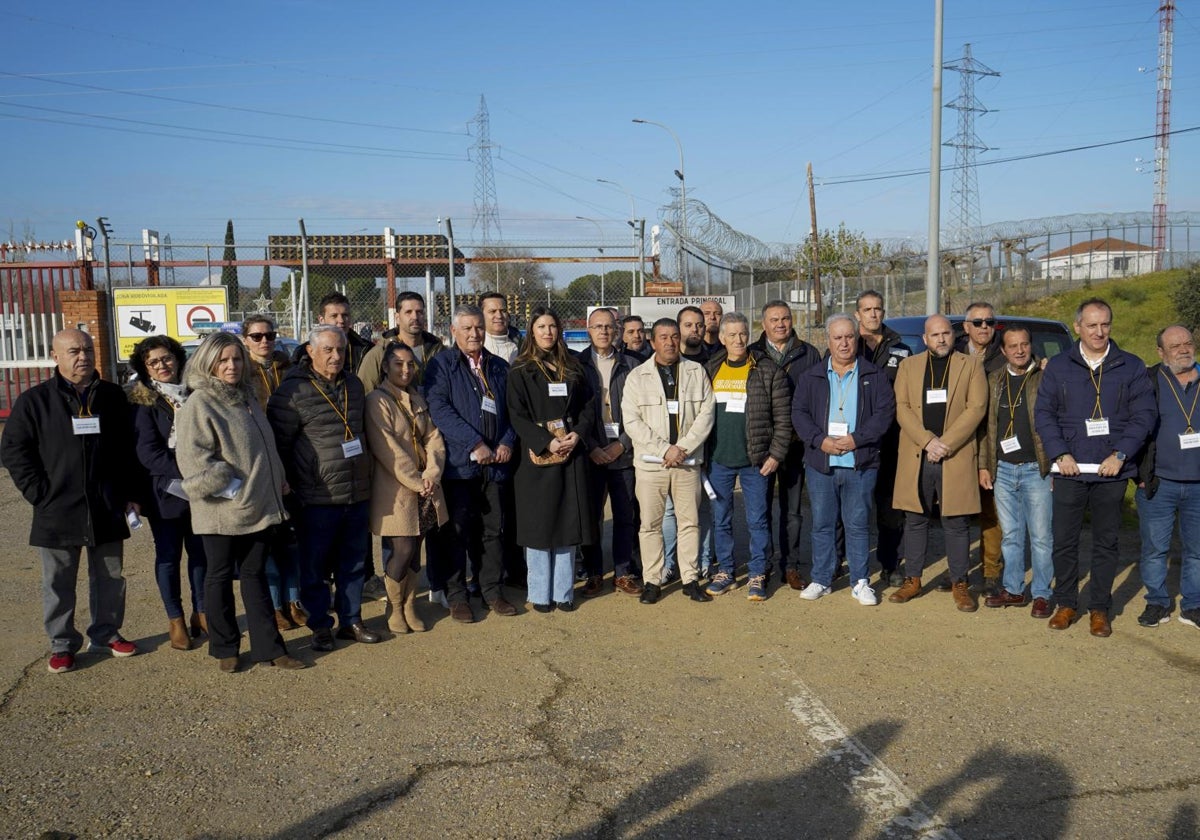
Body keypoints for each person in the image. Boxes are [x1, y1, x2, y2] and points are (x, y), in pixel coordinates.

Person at [1, 328, 140, 674]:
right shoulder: (36, 401)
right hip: (57, 507)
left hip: (105, 505)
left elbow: (128, 449)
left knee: (110, 575)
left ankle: (106, 633)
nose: (84, 357)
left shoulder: (111, 396)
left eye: (88, 350)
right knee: (58, 580)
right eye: (75, 351)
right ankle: (62, 644)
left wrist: (130, 494)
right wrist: (39, 492)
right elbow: (14, 449)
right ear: (56, 356)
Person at [175, 332, 305, 671]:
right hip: (222, 510)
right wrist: (230, 487)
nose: (231, 365)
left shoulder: (247, 396)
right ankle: (225, 648)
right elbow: (194, 460)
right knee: (218, 577)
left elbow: (264, 446)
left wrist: (277, 477)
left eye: (236, 358)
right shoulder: (199, 403)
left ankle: (270, 648)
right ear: (208, 363)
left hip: (259, 505)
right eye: (223, 360)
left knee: (255, 575)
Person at [1035, 298, 1156, 637]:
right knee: (1065, 541)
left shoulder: (1130, 366)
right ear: (1077, 327)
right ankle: (1066, 603)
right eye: (1092, 325)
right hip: (1070, 470)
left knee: (1106, 542)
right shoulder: (1059, 367)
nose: (1099, 332)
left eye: (1105, 325)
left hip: (1110, 471)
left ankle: (1100, 608)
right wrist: (1060, 454)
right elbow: (1044, 414)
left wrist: (1121, 455)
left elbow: (1144, 415)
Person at [269, 324, 380, 650]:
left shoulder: (355, 386)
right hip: (316, 497)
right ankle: (319, 625)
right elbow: (280, 448)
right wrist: (293, 493)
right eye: (328, 350)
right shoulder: (291, 393)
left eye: (340, 350)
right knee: (314, 567)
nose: (335, 356)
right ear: (310, 352)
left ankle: (352, 620)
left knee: (355, 563)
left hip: (356, 493)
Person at [424, 304, 520, 622]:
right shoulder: (441, 365)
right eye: (466, 328)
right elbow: (439, 408)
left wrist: (506, 441)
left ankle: (491, 590)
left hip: (495, 466)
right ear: (454, 331)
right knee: (457, 531)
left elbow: (512, 410)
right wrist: (474, 443)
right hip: (459, 467)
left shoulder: (498, 367)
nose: (474, 333)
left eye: (478, 327)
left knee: (493, 531)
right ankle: (457, 595)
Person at [793, 314, 896, 606]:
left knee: (858, 524)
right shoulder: (811, 376)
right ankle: (822, 578)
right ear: (828, 341)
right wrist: (820, 440)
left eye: (849, 337)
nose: (844, 343)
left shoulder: (874, 376)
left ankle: (860, 581)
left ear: (857, 339)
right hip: (821, 463)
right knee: (823, 524)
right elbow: (799, 414)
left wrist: (857, 439)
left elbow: (884, 415)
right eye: (837, 338)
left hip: (859, 463)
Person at [888, 314, 988, 612]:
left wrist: (945, 444)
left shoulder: (971, 366)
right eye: (935, 335)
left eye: (946, 333)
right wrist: (928, 441)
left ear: (954, 336)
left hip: (954, 455)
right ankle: (913, 579)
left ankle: (960, 583)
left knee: (956, 522)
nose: (941, 339)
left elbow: (976, 408)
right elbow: (901, 408)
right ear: (924, 339)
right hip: (918, 454)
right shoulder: (909, 366)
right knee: (915, 519)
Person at [507, 307, 597, 612]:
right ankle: (540, 593)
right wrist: (546, 441)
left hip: (571, 455)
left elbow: (588, 407)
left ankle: (563, 592)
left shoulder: (572, 366)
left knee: (567, 525)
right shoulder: (519, 370)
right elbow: (516, 416)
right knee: (539, 527)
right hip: (536, 459)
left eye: (552, 326)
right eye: (541, 326)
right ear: (531, 331)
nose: (547, 332)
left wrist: (578, 434)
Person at [622, 318, 716, 604]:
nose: (670, 342)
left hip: (687, 464)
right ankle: (653, 579)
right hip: (653, 465)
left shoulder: (696, 371)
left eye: (674, 336)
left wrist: (683, 448)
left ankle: (690, 579)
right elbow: (632, 421)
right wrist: (665, 450)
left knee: (689, 523)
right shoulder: (638, 376)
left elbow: (706, 414)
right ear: (653, 342)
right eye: (663, 337)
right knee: (650, 524)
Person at [702, 312, 791, 601]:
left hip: (756, 461)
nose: (739, 339)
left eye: (743, 334)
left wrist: (776, 455)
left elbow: (783, 419)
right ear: (722, 338)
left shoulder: (767, 370)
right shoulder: (711, 368)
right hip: (719, 459)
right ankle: (726, 571)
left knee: (758, 520)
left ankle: (757, 573)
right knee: (721, 518)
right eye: (732, 335)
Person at [127, 335, 208, 650]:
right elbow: (148, 452)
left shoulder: (195, 392)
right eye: (154, 362)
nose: (162, 365)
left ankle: (200, 613)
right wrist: (189, 472)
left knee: (200, 555)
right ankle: (175, 619)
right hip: (166, 492)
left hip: (201, 491)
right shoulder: (141, 401)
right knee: (169, 557)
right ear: (145, 368)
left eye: (167, 358)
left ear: (177, 358)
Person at [365, 342, 449, 633]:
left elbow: (433, 437)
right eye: (399, 363)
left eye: (410, 364)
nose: (405, 369)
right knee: (401, 549)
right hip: (397, 489)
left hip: (426, 486)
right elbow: (387, 449)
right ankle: (394, 607)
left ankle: (410, 605)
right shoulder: (377, 400)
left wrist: (433, 473)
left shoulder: (417, 397)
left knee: (416, 551)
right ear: (386, 367)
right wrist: (417, 480)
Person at [977, 327, 1053, 616]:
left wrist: (1055, 465)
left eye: (1024, 344)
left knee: (1041, 536)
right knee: (1010, 534)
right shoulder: (994, 380)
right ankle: (1014, 589)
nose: (1019, 350)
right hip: (1004, 469)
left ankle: (1043, 593)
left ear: (1031, 346)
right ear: (1003, 351)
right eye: (1013, 346)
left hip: (1037, 468)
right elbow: (986, 429)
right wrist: (984, 465)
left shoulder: (1045, 377)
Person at [242, 315, 307, 632]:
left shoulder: (290, 370)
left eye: (269, 335)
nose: (264, 341)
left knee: (291, 540)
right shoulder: (239, 373)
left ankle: (294, 601)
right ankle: (273, 604)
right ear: (245, 340)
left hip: (291, 461)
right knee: (265, 541)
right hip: (258, 463)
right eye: (256, 336)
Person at [750, 300, 821, 588]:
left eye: (785, 319)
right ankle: (763, 565)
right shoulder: (752, 354)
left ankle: (790, 565)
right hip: (761, 446)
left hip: (794, 445)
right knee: (760, 509)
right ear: (763, 324)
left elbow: (818, 398)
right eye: (774, 319)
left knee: (792, 512)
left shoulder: (808, 354)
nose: (781, 324)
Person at [1136, 325, 1200, 630]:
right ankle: (1157, 603)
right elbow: (1132, 427)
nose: (1184, 349)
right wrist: (1138, 473)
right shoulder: (1148, 381)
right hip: (1159, 481)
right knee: (1154, 548)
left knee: (1197, 550)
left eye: (1188, 343)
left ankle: (1193, 605)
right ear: (1161, 352)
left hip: (1199, 484)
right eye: (1175, 346)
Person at [576, 307, 643, 596]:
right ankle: (592, 572)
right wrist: (591, 446)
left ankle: (624, 571)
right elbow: (573, 412)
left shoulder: (633, 365)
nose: (603, 331)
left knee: (625, 514)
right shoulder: (576, 365)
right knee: (591, 516)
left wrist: (622, 444)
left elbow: (641, 412)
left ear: (616, 331)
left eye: (608, 326)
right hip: (589, 454)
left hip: (624, 453)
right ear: (588, 330)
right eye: (597, 326)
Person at [853, 290, 911, 586]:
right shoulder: (847, 345)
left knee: (890, 508)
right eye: (867, 309)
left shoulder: (900, 349)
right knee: (853, 506)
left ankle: (891, 565)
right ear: (857, 315)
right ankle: (846, 562)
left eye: (877, 309)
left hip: (890, 441)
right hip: (853, 441)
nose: (873, 314)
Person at [955, 301, 1006, 595]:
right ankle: (958, 571)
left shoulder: (1004, 355)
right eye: (977, 322)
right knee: (957, 511)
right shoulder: (951, 354)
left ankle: (990, 572)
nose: (984, 327)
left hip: (993, 444)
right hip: (959, 443)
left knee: (991, 513)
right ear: (966, 327)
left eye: (989, 322)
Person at [358, 291, 446, 392]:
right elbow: (364, 393)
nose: (415, 317)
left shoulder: (439, 351)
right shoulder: (380, 354)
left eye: (419, 312)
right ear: (397, 318)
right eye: (408, 312)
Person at [293, 291, 374, 374]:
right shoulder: (303, 353)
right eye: (334, 316)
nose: (341, 320)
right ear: (321, 320)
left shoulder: (366, 350)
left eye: (345, 315)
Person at [481, 291, 521, 363]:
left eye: (503, 311)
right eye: (492, 311)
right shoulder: (475, 345)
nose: (499, 316)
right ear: (481, 315)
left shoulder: (521, 346)